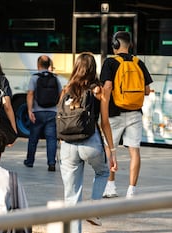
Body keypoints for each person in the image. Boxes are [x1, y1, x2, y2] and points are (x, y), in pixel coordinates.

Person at [59, 52, 117, 233]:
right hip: (90, 142)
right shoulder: (99, 91)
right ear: (94, 69)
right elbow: (105, 123)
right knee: (103, 172)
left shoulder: (66, 89)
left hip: (67, 144)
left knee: (71, 197)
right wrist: (112, 149)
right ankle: (93, 209)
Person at [100, 31, 153, 198]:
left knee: (110, 149)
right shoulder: (139, 62)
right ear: (130, 45)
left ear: (115, 45)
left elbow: (107, 87)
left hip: (115, 113)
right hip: (135, 113)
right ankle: (131, 190)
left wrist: (104, 107)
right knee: (135, 151)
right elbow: (146, 90)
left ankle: (111, 186)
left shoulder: (110, 62)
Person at [23, 55, 62, 171]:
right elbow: (61, 93)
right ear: (49, 65)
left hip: (37, 112)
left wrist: (30, 110)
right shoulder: (55, 78)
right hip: (52, 112)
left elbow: (30, 94)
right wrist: (58, 108)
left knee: (33, 138)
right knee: (51, 139)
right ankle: (51, 163)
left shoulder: (34, 78)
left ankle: (30, 161)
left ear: (38, 65)